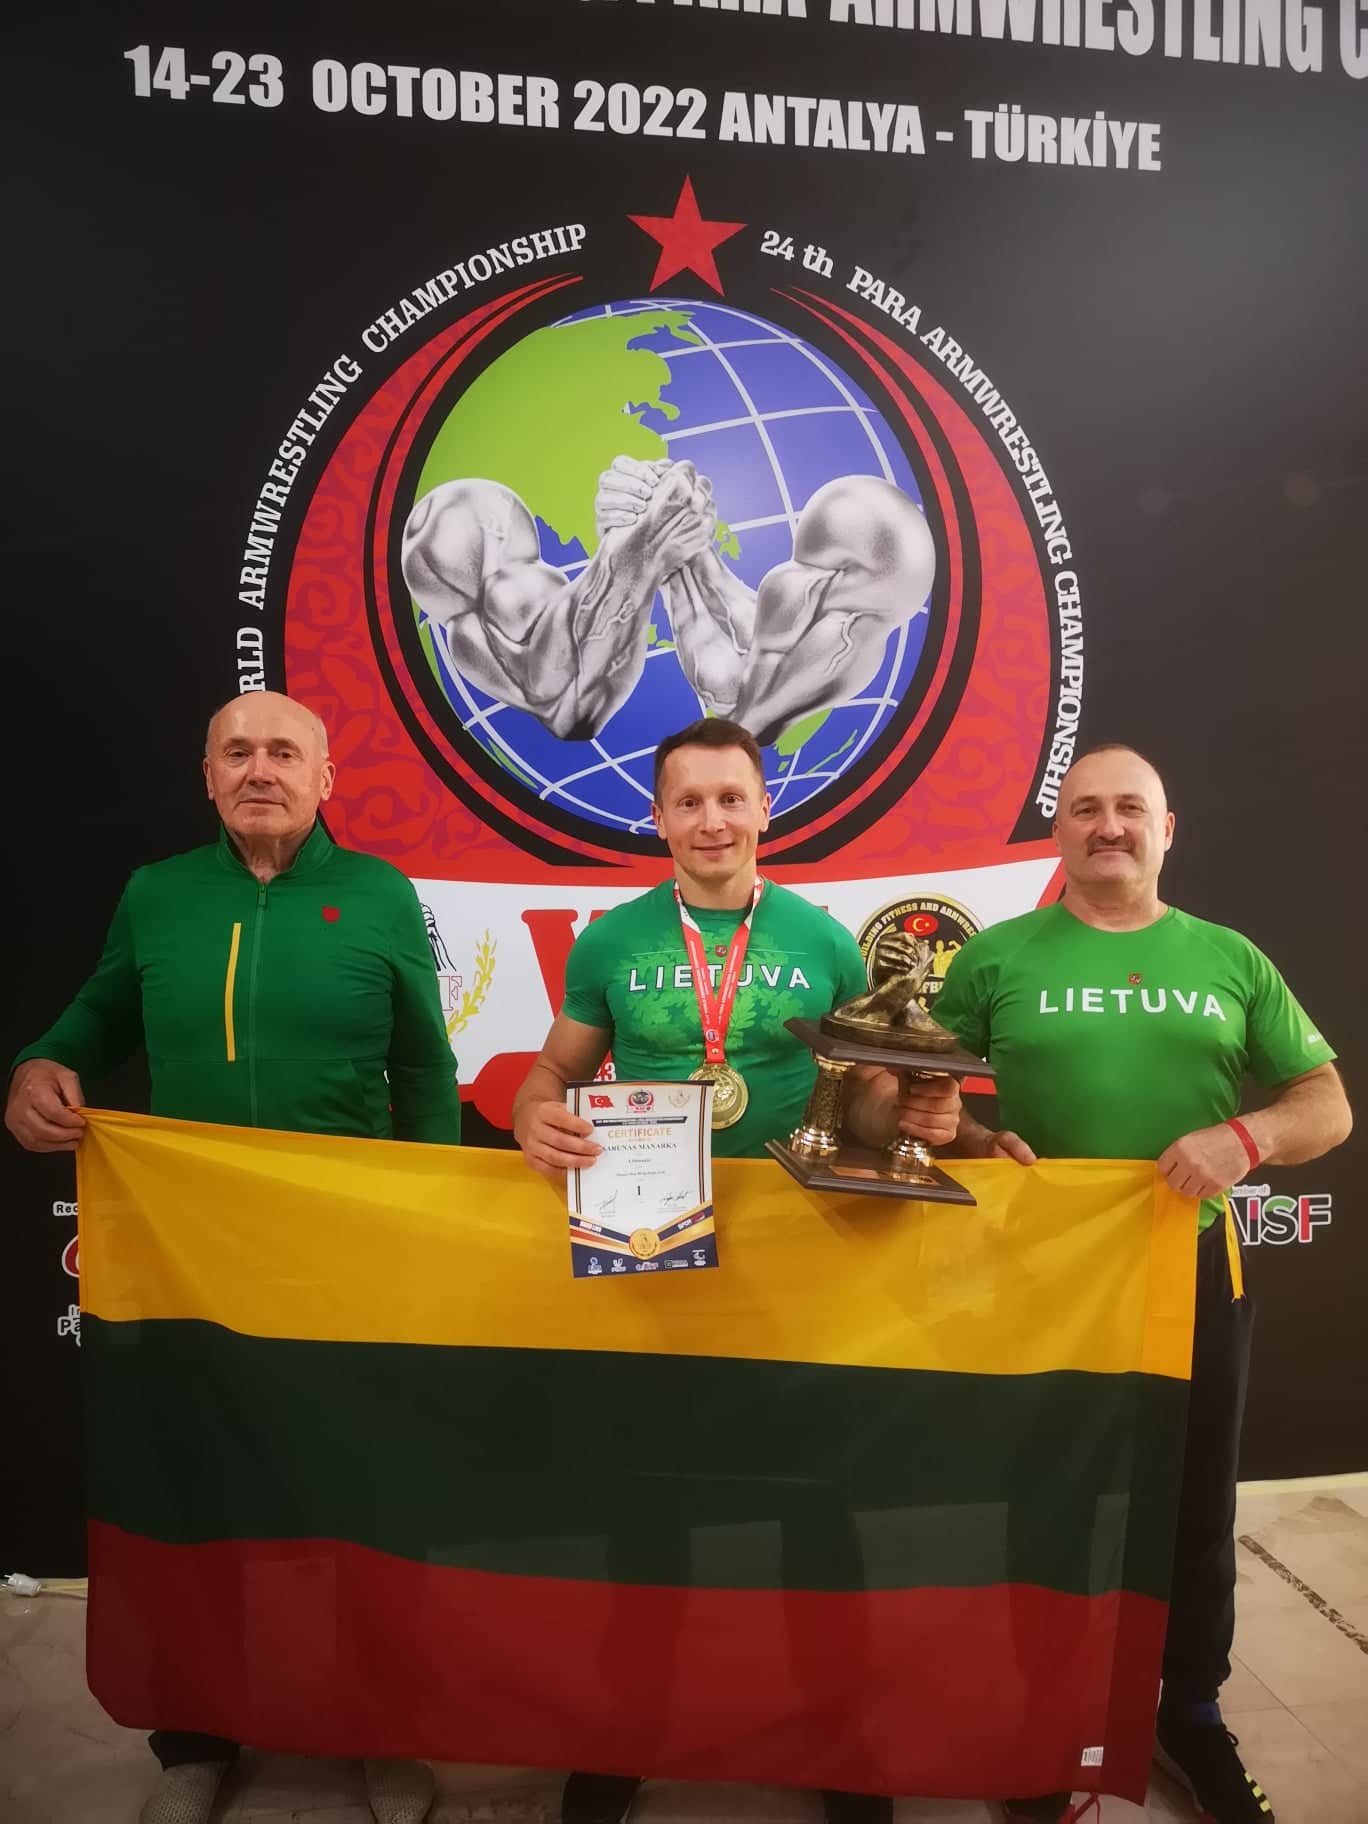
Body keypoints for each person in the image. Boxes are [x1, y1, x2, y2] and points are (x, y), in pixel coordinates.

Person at [6, 690, 462, 1824]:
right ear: (207, 775)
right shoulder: (157, 894)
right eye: (239, 752)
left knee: (360, 1496)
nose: (262, 770)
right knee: (198, 1498)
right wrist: (41, 1061)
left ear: (326, 778)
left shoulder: (379, 894)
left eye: (284, 752)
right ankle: (196, 1739)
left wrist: (433, 1218)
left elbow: (425, 1070)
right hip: (193, 1256)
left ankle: (379, 1728)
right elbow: (97, 1016)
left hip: (345, 1250)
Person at [512, 715, 961, 1824]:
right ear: (657, 817)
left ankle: (839, 1742)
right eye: (689, 801)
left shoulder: (826, 941)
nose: (712, 820)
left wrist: (910, 1113)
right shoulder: (611, 943)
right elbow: (555, 1071)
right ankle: (627, 1732)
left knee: (818, 1509)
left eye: (730, 798)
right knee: (649, 1511)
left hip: (802, 1267)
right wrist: (532, 1113)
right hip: (655, 1258)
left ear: (766, 808)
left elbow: (861, 1102)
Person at [931, 744, 1352, 1824]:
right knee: (1046, 1502)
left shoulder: (1229, 956)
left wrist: (1245, 1138)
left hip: (1192, 1266)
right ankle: (1044, 1714)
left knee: (1194, 1504)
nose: (1108, 825)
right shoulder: (994, 959)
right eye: (1085, 809)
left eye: (1130, 808)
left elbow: (1325, 1105)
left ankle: (1191, 1711)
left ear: (1168, 831)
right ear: (1059, 832)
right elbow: (915, 1101)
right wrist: (969, 1137)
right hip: (1046, 1273)